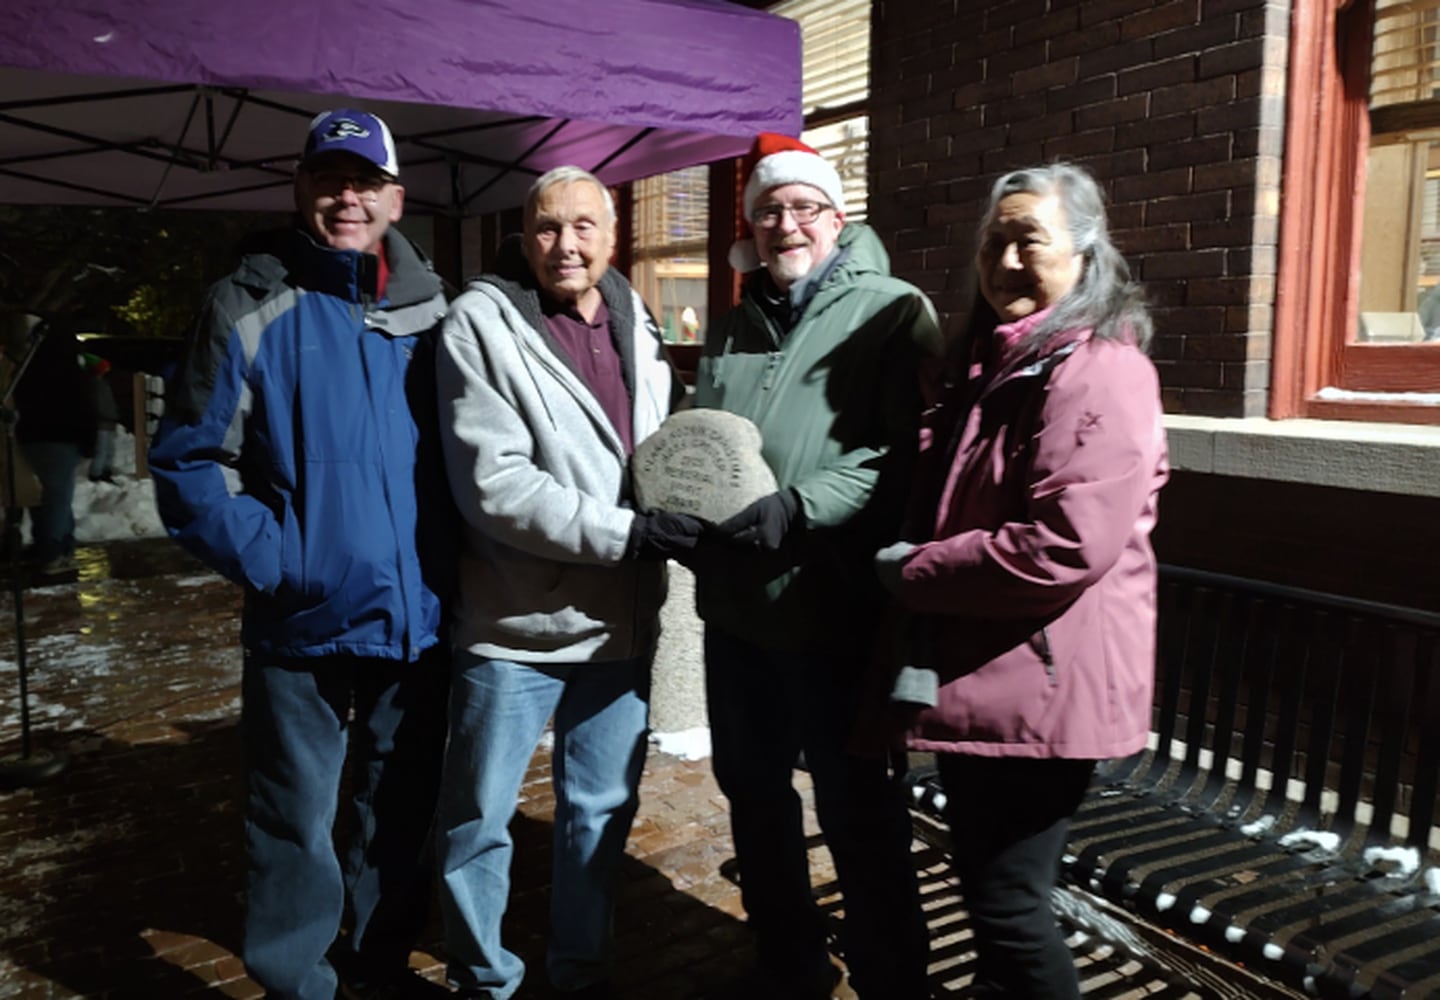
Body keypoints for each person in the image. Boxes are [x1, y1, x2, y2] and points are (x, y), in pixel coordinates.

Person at [149, 108, 455, 1000]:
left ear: (397, 197)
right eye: (329, 179)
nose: (347, 197)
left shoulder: (440, 312)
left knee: (398, 805)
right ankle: (298, 979)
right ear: (300, 190)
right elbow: (187, 461)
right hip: (300, 613)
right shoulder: (245, 305)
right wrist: (279, 561)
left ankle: (378, 960)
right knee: (292, 816)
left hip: (420, 614)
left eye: (365, 182)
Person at [872, 162, 1170, 1000]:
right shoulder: (998, 366)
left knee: (1009, 904)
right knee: (990, 891)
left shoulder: (1099, 369)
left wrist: (915, 573)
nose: (1005, 261)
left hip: (1046, 679)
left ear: (1082, 252)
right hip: (994, 673)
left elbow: (1065, 544)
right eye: (993, 242)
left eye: (1028, 240)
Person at [687, 133, 942, 1000]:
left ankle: (890, 979)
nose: (784, 224)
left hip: (830, 612)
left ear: (836, 217)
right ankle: (787, 963)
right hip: (735, 610)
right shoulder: (731, 323)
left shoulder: (893, 310)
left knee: (857, 812)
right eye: (767, 210)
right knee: (754, 798)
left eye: (801, 207)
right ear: (749, 227)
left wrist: (801, 506)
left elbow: (900, 452)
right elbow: (701, 439)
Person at [433, 165, 693, 1000]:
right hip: (514, 624)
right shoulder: (481, 323)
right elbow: (496, 487)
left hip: (620, 621)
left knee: (599, 814)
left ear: (613, 237)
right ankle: (485, 979)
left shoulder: (633, 314)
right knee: (478, 820)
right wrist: (631, 534)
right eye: (548, 227)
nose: (565, 244)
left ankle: (579, 971)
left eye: (584, 226)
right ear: (525, 235)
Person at [9, 314, 95, 578]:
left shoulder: (27, 367)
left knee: (43, 496)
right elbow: (83, 405)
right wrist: (89, 442)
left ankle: (50, 546)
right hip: (62, 439)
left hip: (32, 438)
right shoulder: (68, 369)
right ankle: (54, 552)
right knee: (58, 498)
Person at [82, 353, 119, 483]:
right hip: (101, 421)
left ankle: (105, 470)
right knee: (101, 449)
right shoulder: (93, 383)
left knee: (109, 449)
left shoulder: (102, 383)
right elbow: (99, 403)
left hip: (108, 420)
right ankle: (96, 473)